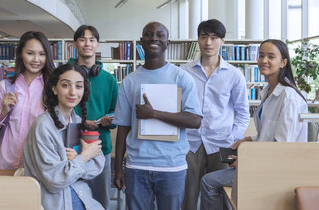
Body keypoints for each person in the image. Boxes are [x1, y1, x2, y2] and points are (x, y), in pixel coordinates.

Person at [200, 39, 308, 210]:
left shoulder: (288, 97)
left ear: (283, 62)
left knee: (209, 182)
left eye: (271, 57)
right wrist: (250, 138)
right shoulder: (267, 91)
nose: (264, 60)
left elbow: (283, 146)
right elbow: (270, 133)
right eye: (261, 55)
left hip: (275, 168)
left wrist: (246, 160)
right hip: (265, 161)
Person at [113, 21, 202, 210]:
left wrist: (153, 113)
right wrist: (118, 168)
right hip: (136, 165)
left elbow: (195, 121)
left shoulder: (182, 78)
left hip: (172, 166)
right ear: (141, 42)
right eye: (149, 34)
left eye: (160, 35)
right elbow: (123, 128)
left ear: (167, 42)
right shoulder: (129, 81)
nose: (154, 38)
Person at [181, 19, 250, 210]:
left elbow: (243, 112)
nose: (208, 43)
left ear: (222, 41)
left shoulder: (234, 75)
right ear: (198, 40)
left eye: (213, 38)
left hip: (222, 142)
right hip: (190, 143)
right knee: (187, 196)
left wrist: (233, 138)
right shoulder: (184, 72)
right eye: (204, 37)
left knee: (221, 198)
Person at [23, 63, 105, 210]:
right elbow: (55, 180)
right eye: (66, 85)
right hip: (57, 203)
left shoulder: (78, 122)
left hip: (83, 198)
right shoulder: (43, 125)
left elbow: (99, 165)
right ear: (54, 88)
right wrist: (84, 157)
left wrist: (76, 163)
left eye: (79, 86)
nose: (73, 92)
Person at [0, 31, 55, 170]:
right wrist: (3, 111)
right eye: (30, 53)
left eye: (42, 54)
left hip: (39, 165)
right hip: (5, 163)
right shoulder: (5, 86)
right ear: (20, 54)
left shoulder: (53, 88)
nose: (36, 59)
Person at [67, 24, 118, 209]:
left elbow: (116, 111)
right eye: (82, 39)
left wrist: (110, 119)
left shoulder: (109, 80)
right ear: (74, 44)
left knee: (100, 200)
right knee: (71, 199)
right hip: (70, 148)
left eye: (92, 40)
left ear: (97, 45)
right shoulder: (66, 75)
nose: (87, 44)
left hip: (100, 148)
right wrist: (81, 122)